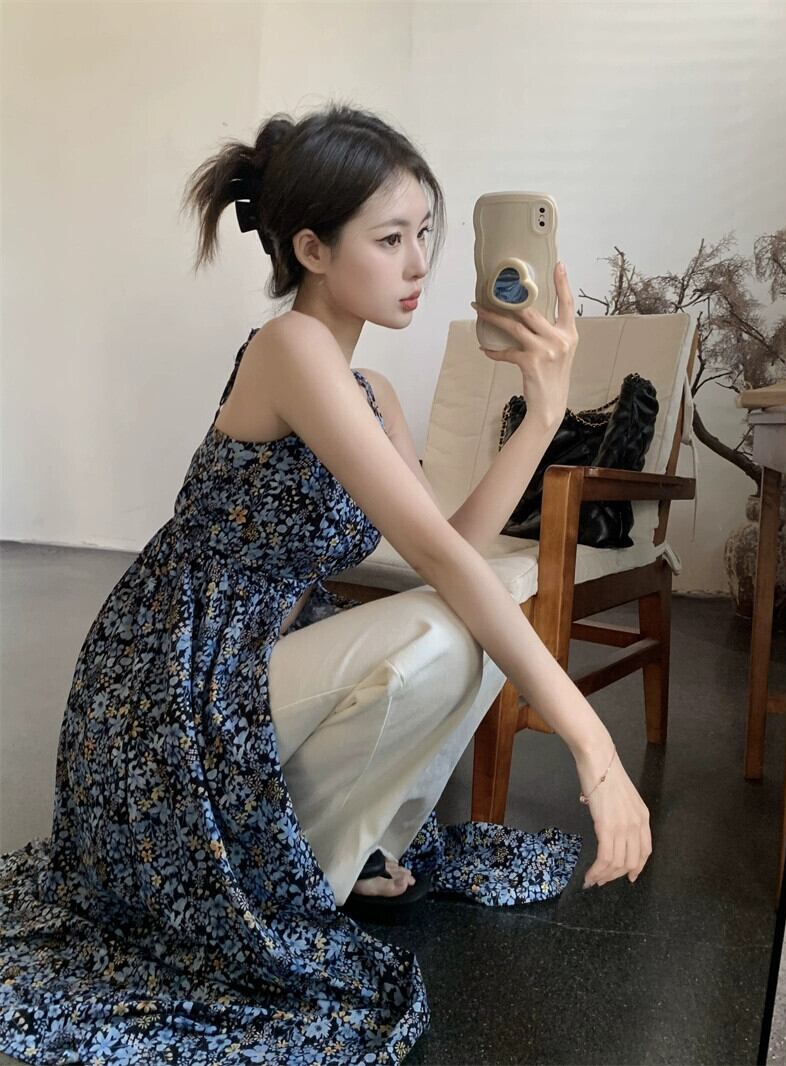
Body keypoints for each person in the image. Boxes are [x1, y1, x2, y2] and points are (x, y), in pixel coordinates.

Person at [0, 100, 651, 1064]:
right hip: (173, 680)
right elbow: (443, 566)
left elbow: (447, 546)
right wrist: (595, 747)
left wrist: (544, 417)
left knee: (470, 614)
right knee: (443, 630)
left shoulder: (371, 391)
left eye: (424, 233)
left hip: (257, 662)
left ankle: (336, 859)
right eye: (390, 239)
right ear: (311, 248)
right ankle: (306, 886)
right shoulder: (290, 348)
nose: (419, 264)